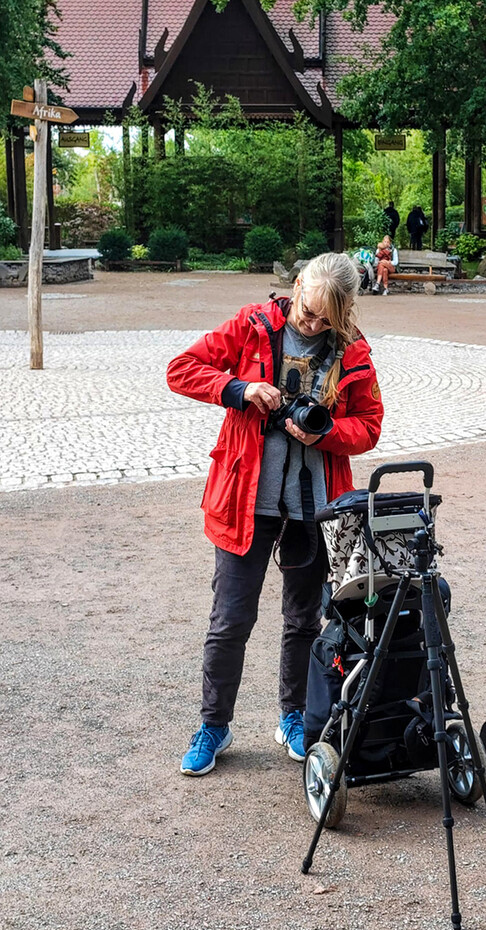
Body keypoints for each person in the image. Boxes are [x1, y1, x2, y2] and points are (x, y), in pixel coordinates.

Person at [166, 253, 384, 776]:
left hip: (314, 509)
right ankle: (214, 725)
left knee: (304, 621)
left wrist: (326, 433)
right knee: (230, 622)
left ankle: (294, 717)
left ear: (344, 311)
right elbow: (181, 370)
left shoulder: (353, 351)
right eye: (306, 311)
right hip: (245, 503)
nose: (309, 324)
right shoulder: (251, 326)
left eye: (322, 319)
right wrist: (239, 390)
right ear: (298, 285)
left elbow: (370, 426)